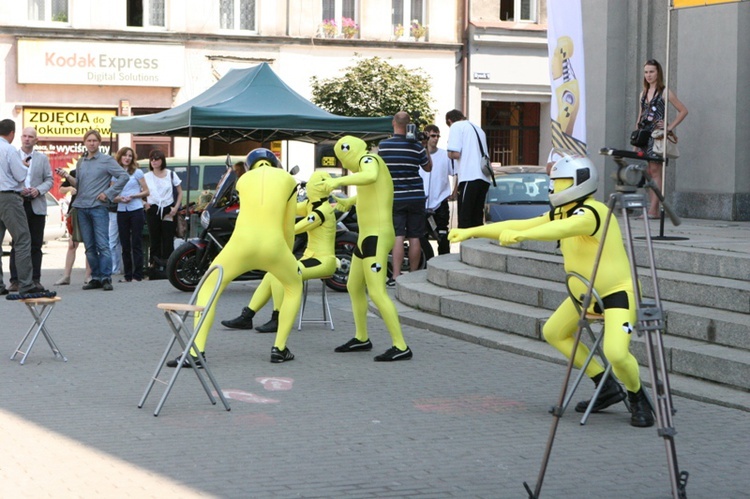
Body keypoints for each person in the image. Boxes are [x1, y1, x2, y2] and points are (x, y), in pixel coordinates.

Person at [448, 154, 654, 428]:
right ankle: (605, 386)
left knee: (616, 352)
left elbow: (562, 228)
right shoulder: (561, 211)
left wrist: (523, 237)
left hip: (618, 293)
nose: (553, 187)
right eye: (554, 182)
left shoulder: (593, 212)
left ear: (580, 182)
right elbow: (523, 224)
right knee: (553, 332)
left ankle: (637, 396)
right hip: (586, 296)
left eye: (561, 182)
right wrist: (471, 231)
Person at [167, 148, 303, 366]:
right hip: (274, 246)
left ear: (250, 165)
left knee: (208, 287)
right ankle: (279, 348)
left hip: (240, 245)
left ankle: (196, 352)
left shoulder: (243, 179)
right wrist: (285, 258)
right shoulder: (288, 179)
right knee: (294, 287)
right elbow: (288, 226)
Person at [320, 135, 412, 361]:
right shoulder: (367, 164)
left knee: (377, 292)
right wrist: (344, 202)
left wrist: (336, 182)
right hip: (367, 237)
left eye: (342, 159)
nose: (344, 166)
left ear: (348, 154)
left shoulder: (368, 160)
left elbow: (369, 177)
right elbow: (369, 194)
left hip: (377, 236)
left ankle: (401, 346)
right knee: (353, 285)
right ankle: (361, 337)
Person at [221, 170, 338, 333]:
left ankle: (276, 318)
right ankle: (247, 316)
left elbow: (295, 228)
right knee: (271, 274)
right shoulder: (312, 204)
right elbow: (291, 207)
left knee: (277, 275)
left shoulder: (322, 211)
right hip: (309, 257)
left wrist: (274, 230)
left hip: (323, 261)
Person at [56, 129, 128, 291]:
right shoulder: (81, 162)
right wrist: (67, 176)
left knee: (103, 244)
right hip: (81, 207)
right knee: (89, 246)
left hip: (98, 207)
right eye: (89, 140)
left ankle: (106, 278)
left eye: (94, 140)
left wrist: (108, 194)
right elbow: (79, 184)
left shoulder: (107, 160)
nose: (92, 143)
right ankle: (95, 277)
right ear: (85, 142)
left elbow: (124, 176)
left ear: (99, 143)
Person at [377, 111, 432, 285]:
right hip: (416, 196)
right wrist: (425, 147)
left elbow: (379, 169)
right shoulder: (416, 146)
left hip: (395, 197)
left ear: (394, 123)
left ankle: (395, 275)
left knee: (398, 235)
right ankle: (414, 275)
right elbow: (428, 167)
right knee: (415, 236)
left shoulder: (384, 146)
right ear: (410, 125)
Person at [634, 59, 688, 219]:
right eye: (646, 72)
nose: (648, 75)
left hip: (657, 135)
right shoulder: (643, 93)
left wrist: (669, 127)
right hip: (644, 135)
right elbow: (640, 115)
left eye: (651, 71)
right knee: (649, 172)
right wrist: (636, 138)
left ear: (658, 73)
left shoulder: (664, 92)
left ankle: (653, 210)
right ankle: (654, 209)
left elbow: (683, 110)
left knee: (656, 170)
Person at [0, 119, 48, 297]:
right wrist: (24, 166)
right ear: (12, 133)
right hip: (8, 196)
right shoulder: (9, 149)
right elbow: (20, 175)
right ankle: (26, 283)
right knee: (22, 239)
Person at [445, 109, 492, 228]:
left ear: (450, 121)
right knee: (477, 219)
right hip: (484, 177)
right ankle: (476, 245)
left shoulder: (456, 126)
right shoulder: (479, 129)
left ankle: (464, 246)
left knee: (464, 219)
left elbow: (455, 154)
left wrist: (448, 153)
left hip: (469, 177)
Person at [143, 150, 182, 277]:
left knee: (168, 238)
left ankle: (168, 265)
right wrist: (145, 204)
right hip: (153, 208)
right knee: (154, 238)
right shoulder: (147, 176)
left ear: (162, 160)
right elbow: (140, 191)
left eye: (157, 159)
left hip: (168, 209)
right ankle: (154, 265)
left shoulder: (171, 174)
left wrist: (175, 207)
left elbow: (180, 192)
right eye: (152, 159)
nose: (154, 161)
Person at [113, 147, 149, 283]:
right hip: (122, 210)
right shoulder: (115, 174)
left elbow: (146, 191)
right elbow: (112, 195)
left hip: (136, 209)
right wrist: (120, 198)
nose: (127, 158)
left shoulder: (138, 172)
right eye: (125, 155)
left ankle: (137, 275)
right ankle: (127, 275)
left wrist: (134, 195)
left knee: (136, 242)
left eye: (130, 156)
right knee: (124, 244)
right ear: (120, 157)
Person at [419, 124, 454, 255]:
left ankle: (444, 262)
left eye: (438, 136)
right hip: (422, 202)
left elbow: (455, 172)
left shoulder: (445, 155)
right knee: (420, 236)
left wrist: (454, 191)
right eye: (433, 136)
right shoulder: (419, 155)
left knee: (443, 235)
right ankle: (426, 260)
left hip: (440, 201)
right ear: (426, 135)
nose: (436, 139)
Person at [54, 167, 92, 286]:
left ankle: (88, 276)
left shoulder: (96, 171)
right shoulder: (74, 172)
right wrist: (70, 188)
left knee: (89, 244)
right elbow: (61, 189)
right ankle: (66, 276)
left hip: (89, 209)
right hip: (75, 211)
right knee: (72, 244)